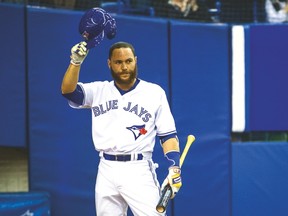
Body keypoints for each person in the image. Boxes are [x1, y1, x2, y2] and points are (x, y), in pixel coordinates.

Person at [61, 41, 182, 215]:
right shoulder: (99, 90)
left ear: (135, 61)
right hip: (106, 168)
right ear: (109, 64)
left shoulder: (154, 93)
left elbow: (168, 135)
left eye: (128, 61)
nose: (124, 67)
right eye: (118, 62)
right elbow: (68, 91)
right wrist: (75, 62)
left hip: (138, 169)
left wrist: (174, 167)